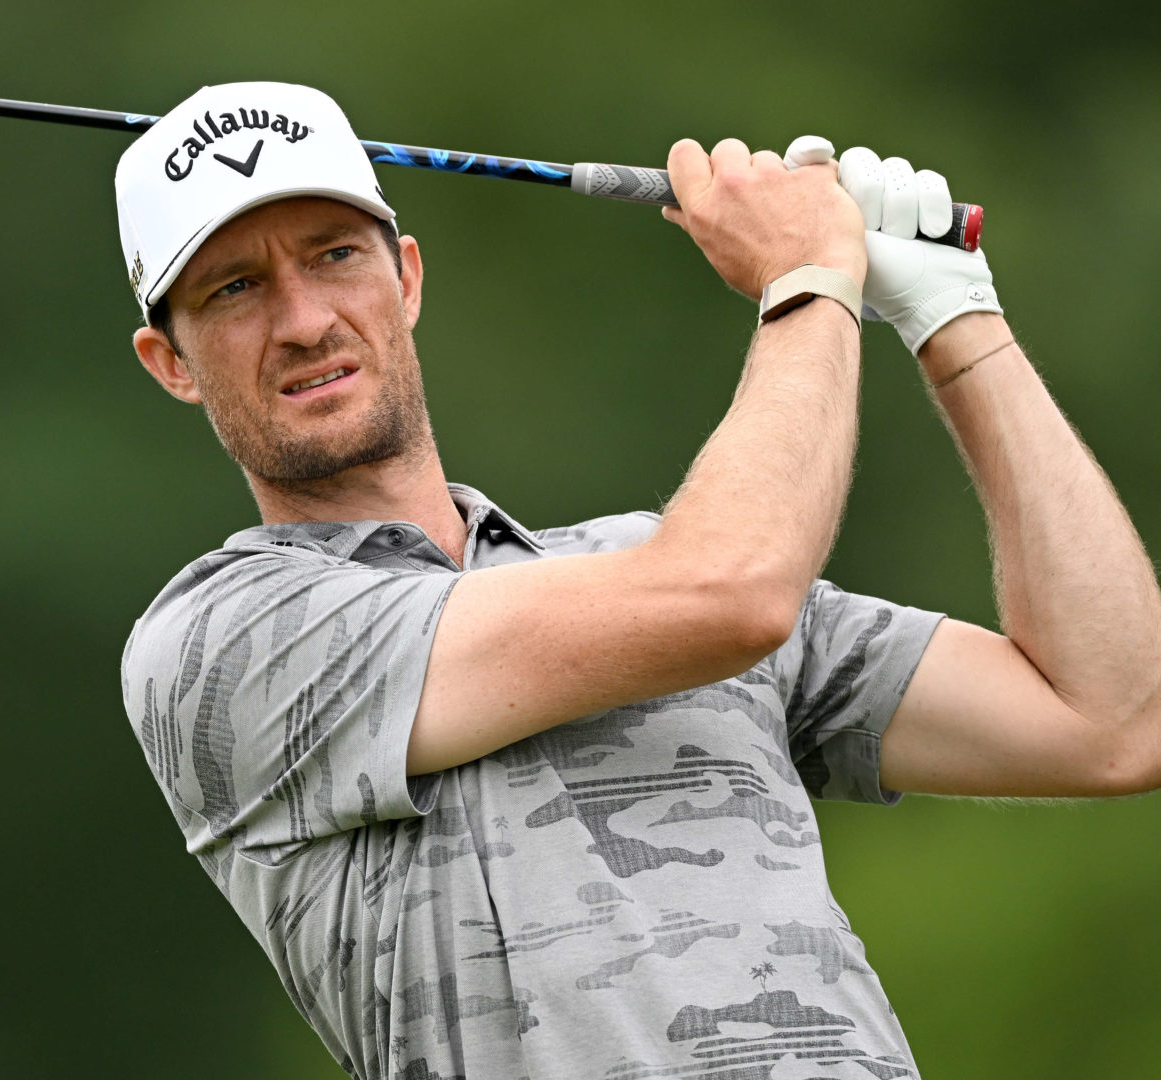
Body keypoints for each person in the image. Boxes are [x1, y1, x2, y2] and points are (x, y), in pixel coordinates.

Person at [115, 82, 1161, 1080]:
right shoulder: (225, 641)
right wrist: (811, 281)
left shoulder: (639, 559)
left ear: (409, 280)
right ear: (171, 362)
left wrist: (955, 318)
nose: (303, 319)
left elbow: (1111, 715)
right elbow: (732, 594)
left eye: (335, 254)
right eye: (235, 288)